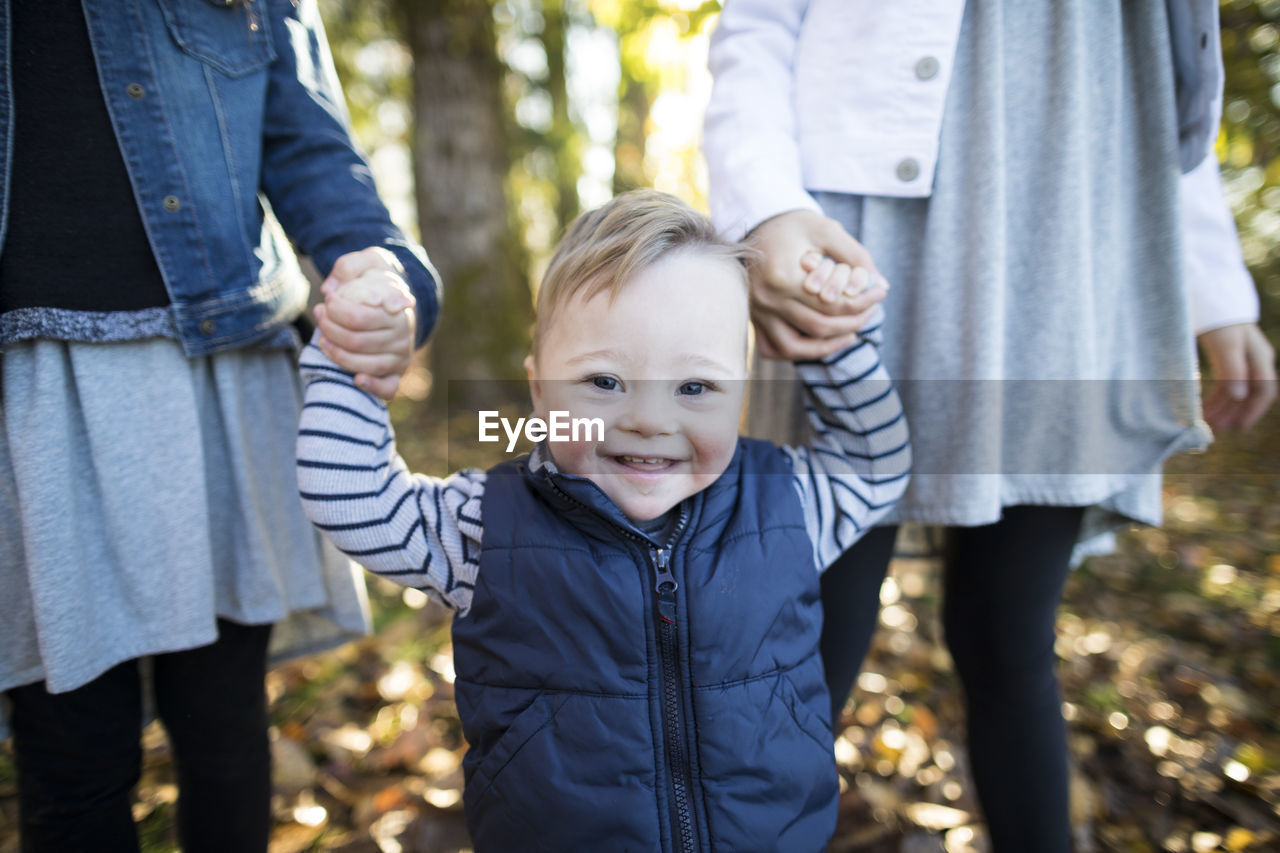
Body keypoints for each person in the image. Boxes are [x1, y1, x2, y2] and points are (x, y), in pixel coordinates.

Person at [703, 1, 1277, 851]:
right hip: (856, 237)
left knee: (1009, 630)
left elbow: (1172, 79)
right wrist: (762, 209)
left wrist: (1215, 286)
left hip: (1076, 246)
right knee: (806, 621)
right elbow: (759, 22)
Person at [296, 189, 911, 850]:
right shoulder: (487, 526)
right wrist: (349, 364)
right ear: (539, 391)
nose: (649, 419)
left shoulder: (785, 502)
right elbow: (355, 496)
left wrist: (834, 346)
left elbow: (876, 466)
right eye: (604, 382)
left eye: (696, 387)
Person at [0, 2, 438, 851]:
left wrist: (383, 270)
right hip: (36, 394)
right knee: (73, 759)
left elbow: (317, 154)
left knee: (226, 726)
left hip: (218, 369)